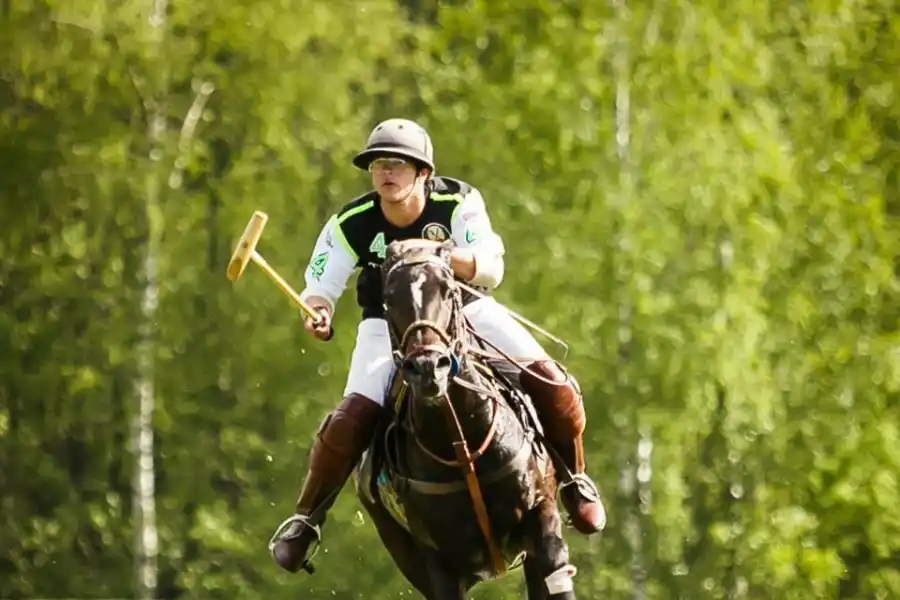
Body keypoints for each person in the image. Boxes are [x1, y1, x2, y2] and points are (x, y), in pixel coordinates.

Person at [270, 118, 605, 572]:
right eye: (377, 165)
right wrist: (319, 311)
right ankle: (306, 519)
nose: (386, 173)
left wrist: (440, 256)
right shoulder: (351, 222)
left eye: (397, 164)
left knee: (553, 380)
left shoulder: (458, 201)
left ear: (423, 173)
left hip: (461, 310)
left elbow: (490, 266)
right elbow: (319, 284)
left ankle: (573, 479)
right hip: (386, 326)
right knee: (350, 418)